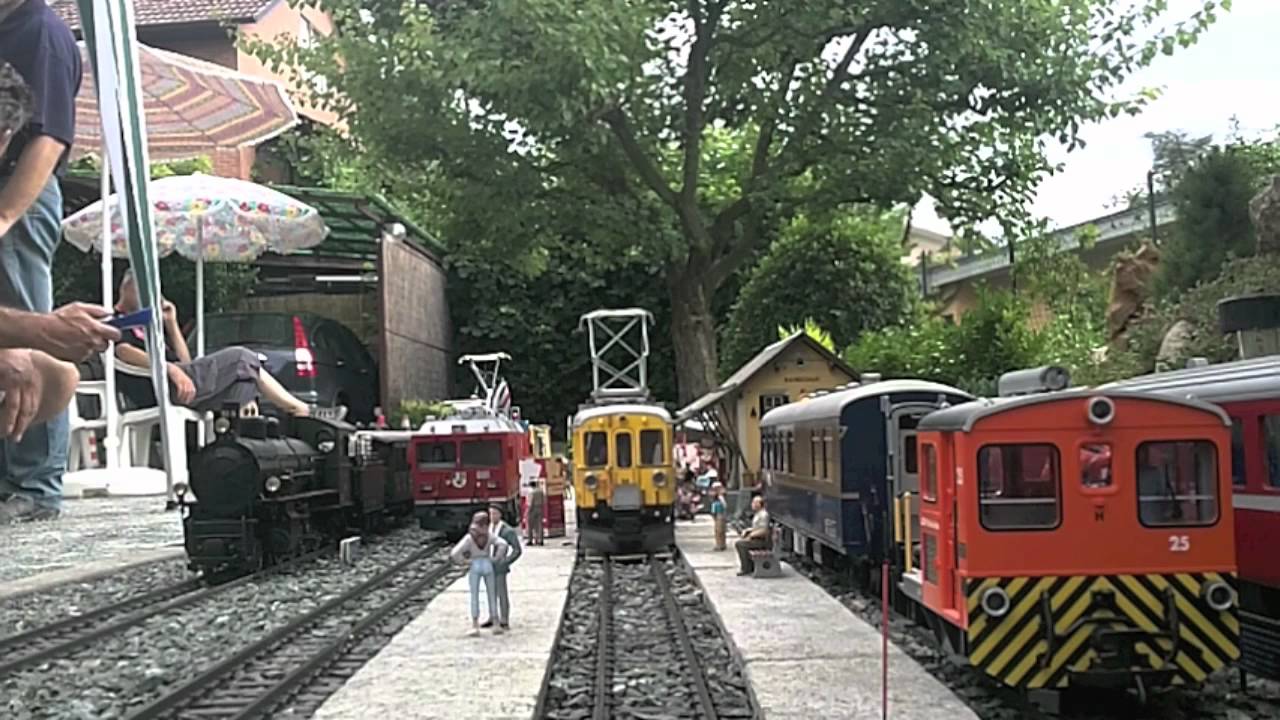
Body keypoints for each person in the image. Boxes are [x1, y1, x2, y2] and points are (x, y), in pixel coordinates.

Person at [0, 0, 85, 524]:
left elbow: (50, 137)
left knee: (30, 335)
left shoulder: (42, 34)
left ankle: (35, 486)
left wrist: (7, 212)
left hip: (19, 191)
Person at [113, 270, 311, 416]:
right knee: (241, 357)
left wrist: (171, 324)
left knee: (244, 386)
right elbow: (122, 351)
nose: (150, 295)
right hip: (157, 387)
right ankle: (297, 408)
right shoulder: (117, 320)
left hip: (178, 383)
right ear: (126, 288)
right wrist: (170, 369)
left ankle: (238, 451)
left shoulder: (148, 327)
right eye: (143, 289)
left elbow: (186, 361)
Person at [450, 510, 510, 636]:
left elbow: (454, 553)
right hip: (487, 563)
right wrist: (496, 558)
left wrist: (464, 562)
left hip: (475, 564)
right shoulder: (489, 535)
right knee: (492, 594)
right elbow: (503, 544)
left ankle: (475, 625)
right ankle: (496, 623)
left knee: (474, 595)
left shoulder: (470, 537)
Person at [485, 504, 522, 630]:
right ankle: (492, 616)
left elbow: (517, 550)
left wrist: (506, 561)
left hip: (499, 567)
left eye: (494, 514)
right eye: (490, 514)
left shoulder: (507, 531)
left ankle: (504, 619)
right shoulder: (488, 528)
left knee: (501, 594)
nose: (492, 516)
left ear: (500, 515)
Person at [735, 495, 772, 576]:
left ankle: (746, 568)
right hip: (757, 539)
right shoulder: (758, 514)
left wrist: (751, 536)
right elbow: (756, 527)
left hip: (762, 541)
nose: (752, 504)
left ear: (759, 504)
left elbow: (763, 531)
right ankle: (749, 565)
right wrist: (748, 530)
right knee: (742, 542)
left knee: (740, 544)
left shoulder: (763, 515)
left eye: (754, 502)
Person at [527, 478, 546, 546]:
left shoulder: (531, 492)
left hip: (533, 509)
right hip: (540, 508)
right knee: (539, 525)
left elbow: (531, 502)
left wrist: (528, 511)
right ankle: (540, 540)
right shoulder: (541, 491)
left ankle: (530, 540)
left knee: (530, 525)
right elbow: (544, 500)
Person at [709, 481, 727, 551]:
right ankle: (720, 544)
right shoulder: (714, 497)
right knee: (718, 530)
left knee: (720, 530)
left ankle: (720, 544)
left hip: (720, 513)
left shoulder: (720, 496)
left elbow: (724, 505)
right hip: (716, 512)